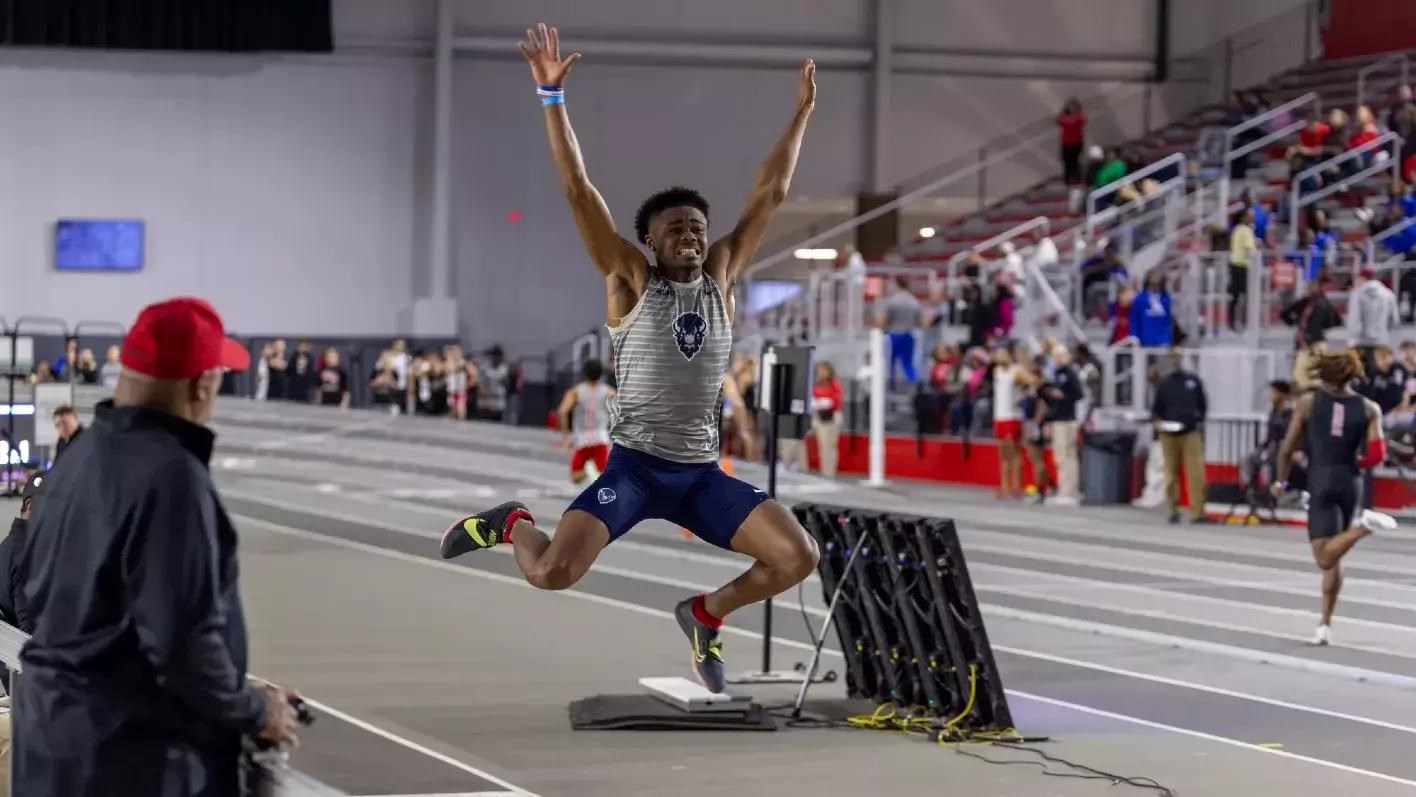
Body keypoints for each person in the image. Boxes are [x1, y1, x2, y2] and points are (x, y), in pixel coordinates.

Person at [439, 24, 819, 694]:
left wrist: (801, 116)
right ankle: (513, 523)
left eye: (699, 226)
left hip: (701, 473)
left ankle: (705, 614)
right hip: (637, 467)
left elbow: (771, 194)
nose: (692, 235)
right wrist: (552, 100)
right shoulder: (629, 279)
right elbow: (579, 191)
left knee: (798, 555)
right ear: (649, 240)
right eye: (676, 227)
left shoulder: (722, 276)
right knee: (553, 572)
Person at [13, 296, 302, 795]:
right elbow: (182, 644)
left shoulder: (76, 459)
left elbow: (47, 601)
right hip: (128, 761)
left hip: (50, 744)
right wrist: (256, 709)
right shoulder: (173, 478)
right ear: (202, 385)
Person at [1272, 350, 1397, 646]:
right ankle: (1325, 625)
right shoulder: (1369, 408)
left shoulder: (1307, 403)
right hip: (1350, 482)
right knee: (1335, 557)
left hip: (1322, 479)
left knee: (1323, 556)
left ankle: (1364, 527)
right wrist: (1356, 465)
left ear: (1322, 373)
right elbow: (1378, 454)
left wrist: (1281, 480)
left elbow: (1287, 448)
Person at [1151, 354, 1213, 525]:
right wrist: (1160, 424)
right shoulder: (1164, 384)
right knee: (1170, 473)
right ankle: (1172, 509)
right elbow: (1156, 409)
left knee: (1196, 472)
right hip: (1169, 433)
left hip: (1190, 431)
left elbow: (1203, 403)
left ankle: (1197, 510)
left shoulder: (1193, 381)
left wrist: (1198, 418)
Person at [558, 358, 615, 485]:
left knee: (575, 477)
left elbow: (562, 411)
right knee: (602, 477)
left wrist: (566, 436)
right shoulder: (608, 392)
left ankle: (588, 469)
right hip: (601, 438)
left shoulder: (575, 391)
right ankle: (593, 471)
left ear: (584, 373)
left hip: (582, 439)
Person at [1347, 265, 1400, 370]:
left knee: (1362, 372)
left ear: (1363, 277)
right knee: (1379, 371)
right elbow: (1394, 320)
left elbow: (1355, 319)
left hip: (1361, 341)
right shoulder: (1388, 294)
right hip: (1381, 340)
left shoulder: (1357, 293)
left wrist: (1352, 339)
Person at [1057, 98, 1086, 186]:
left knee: (1068, 163)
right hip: (1076, 144)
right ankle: (1076, 178)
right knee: (1074, 162)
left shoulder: (1068, 119)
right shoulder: (1079, 118)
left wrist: (1064, 110)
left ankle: (1069, 180)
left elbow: (1058, 120)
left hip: (1069, 144)